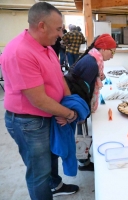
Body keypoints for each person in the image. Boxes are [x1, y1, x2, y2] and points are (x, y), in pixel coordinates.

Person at [0, 2, 80, 199]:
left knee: (51, 156)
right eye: (58, 29)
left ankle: (55, 184)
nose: (61, 34)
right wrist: (69, 114)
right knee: (39, 173)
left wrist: (69, 103)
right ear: (42, 25)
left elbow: (59, 78)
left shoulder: (45, 47)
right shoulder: (21, 51)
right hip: (29, 123)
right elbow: (39, 100)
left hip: (47, 116)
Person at [65, 34, 116, 171]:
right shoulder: (91, 64)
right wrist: (81, 112)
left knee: (82, 131)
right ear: (104, 49)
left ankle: (83, 159)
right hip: (77, 103)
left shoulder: (92, 59)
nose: (112, 56)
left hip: (78, 101)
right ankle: (83, 161)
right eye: (112, 51)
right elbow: (83, 91)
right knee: (81, 132)